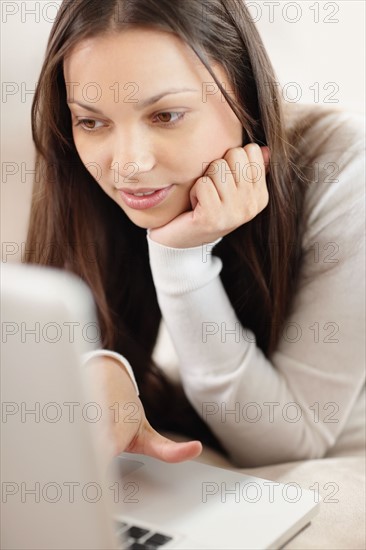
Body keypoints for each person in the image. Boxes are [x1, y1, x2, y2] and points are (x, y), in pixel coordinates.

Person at [25, 0, 365, 467]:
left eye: (166, 116)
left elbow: (286, 444)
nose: (127, 164)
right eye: (92, 121)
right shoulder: (78, 178)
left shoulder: (346, 168)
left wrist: (181, 260)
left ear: (245, 93)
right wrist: (101, 368)